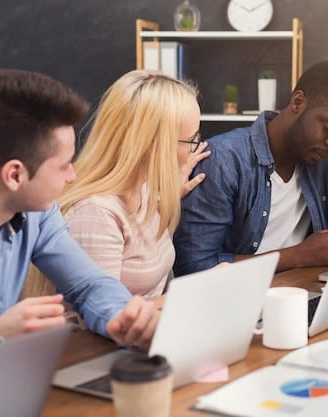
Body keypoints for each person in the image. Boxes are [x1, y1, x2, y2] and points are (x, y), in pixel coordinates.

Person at [0, 69, 158, 350]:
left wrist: (121, 316)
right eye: (64, 165)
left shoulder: (37, 214)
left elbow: (87, 284)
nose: (72, 176)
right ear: (14, 175)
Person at [173, 61, 328, 275]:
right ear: (298, 102)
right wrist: (299, 256)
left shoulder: (322, 163)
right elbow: (195, 267)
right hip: (236, 304)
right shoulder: (224, 159)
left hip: (297, 294)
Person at [26, 71, 210, 307]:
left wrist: (169, 191)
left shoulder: (143, 190)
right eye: (191, 139)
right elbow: (108, 315)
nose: (195, 147)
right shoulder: (94, 214)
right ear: (155, 145)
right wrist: (199, 289)